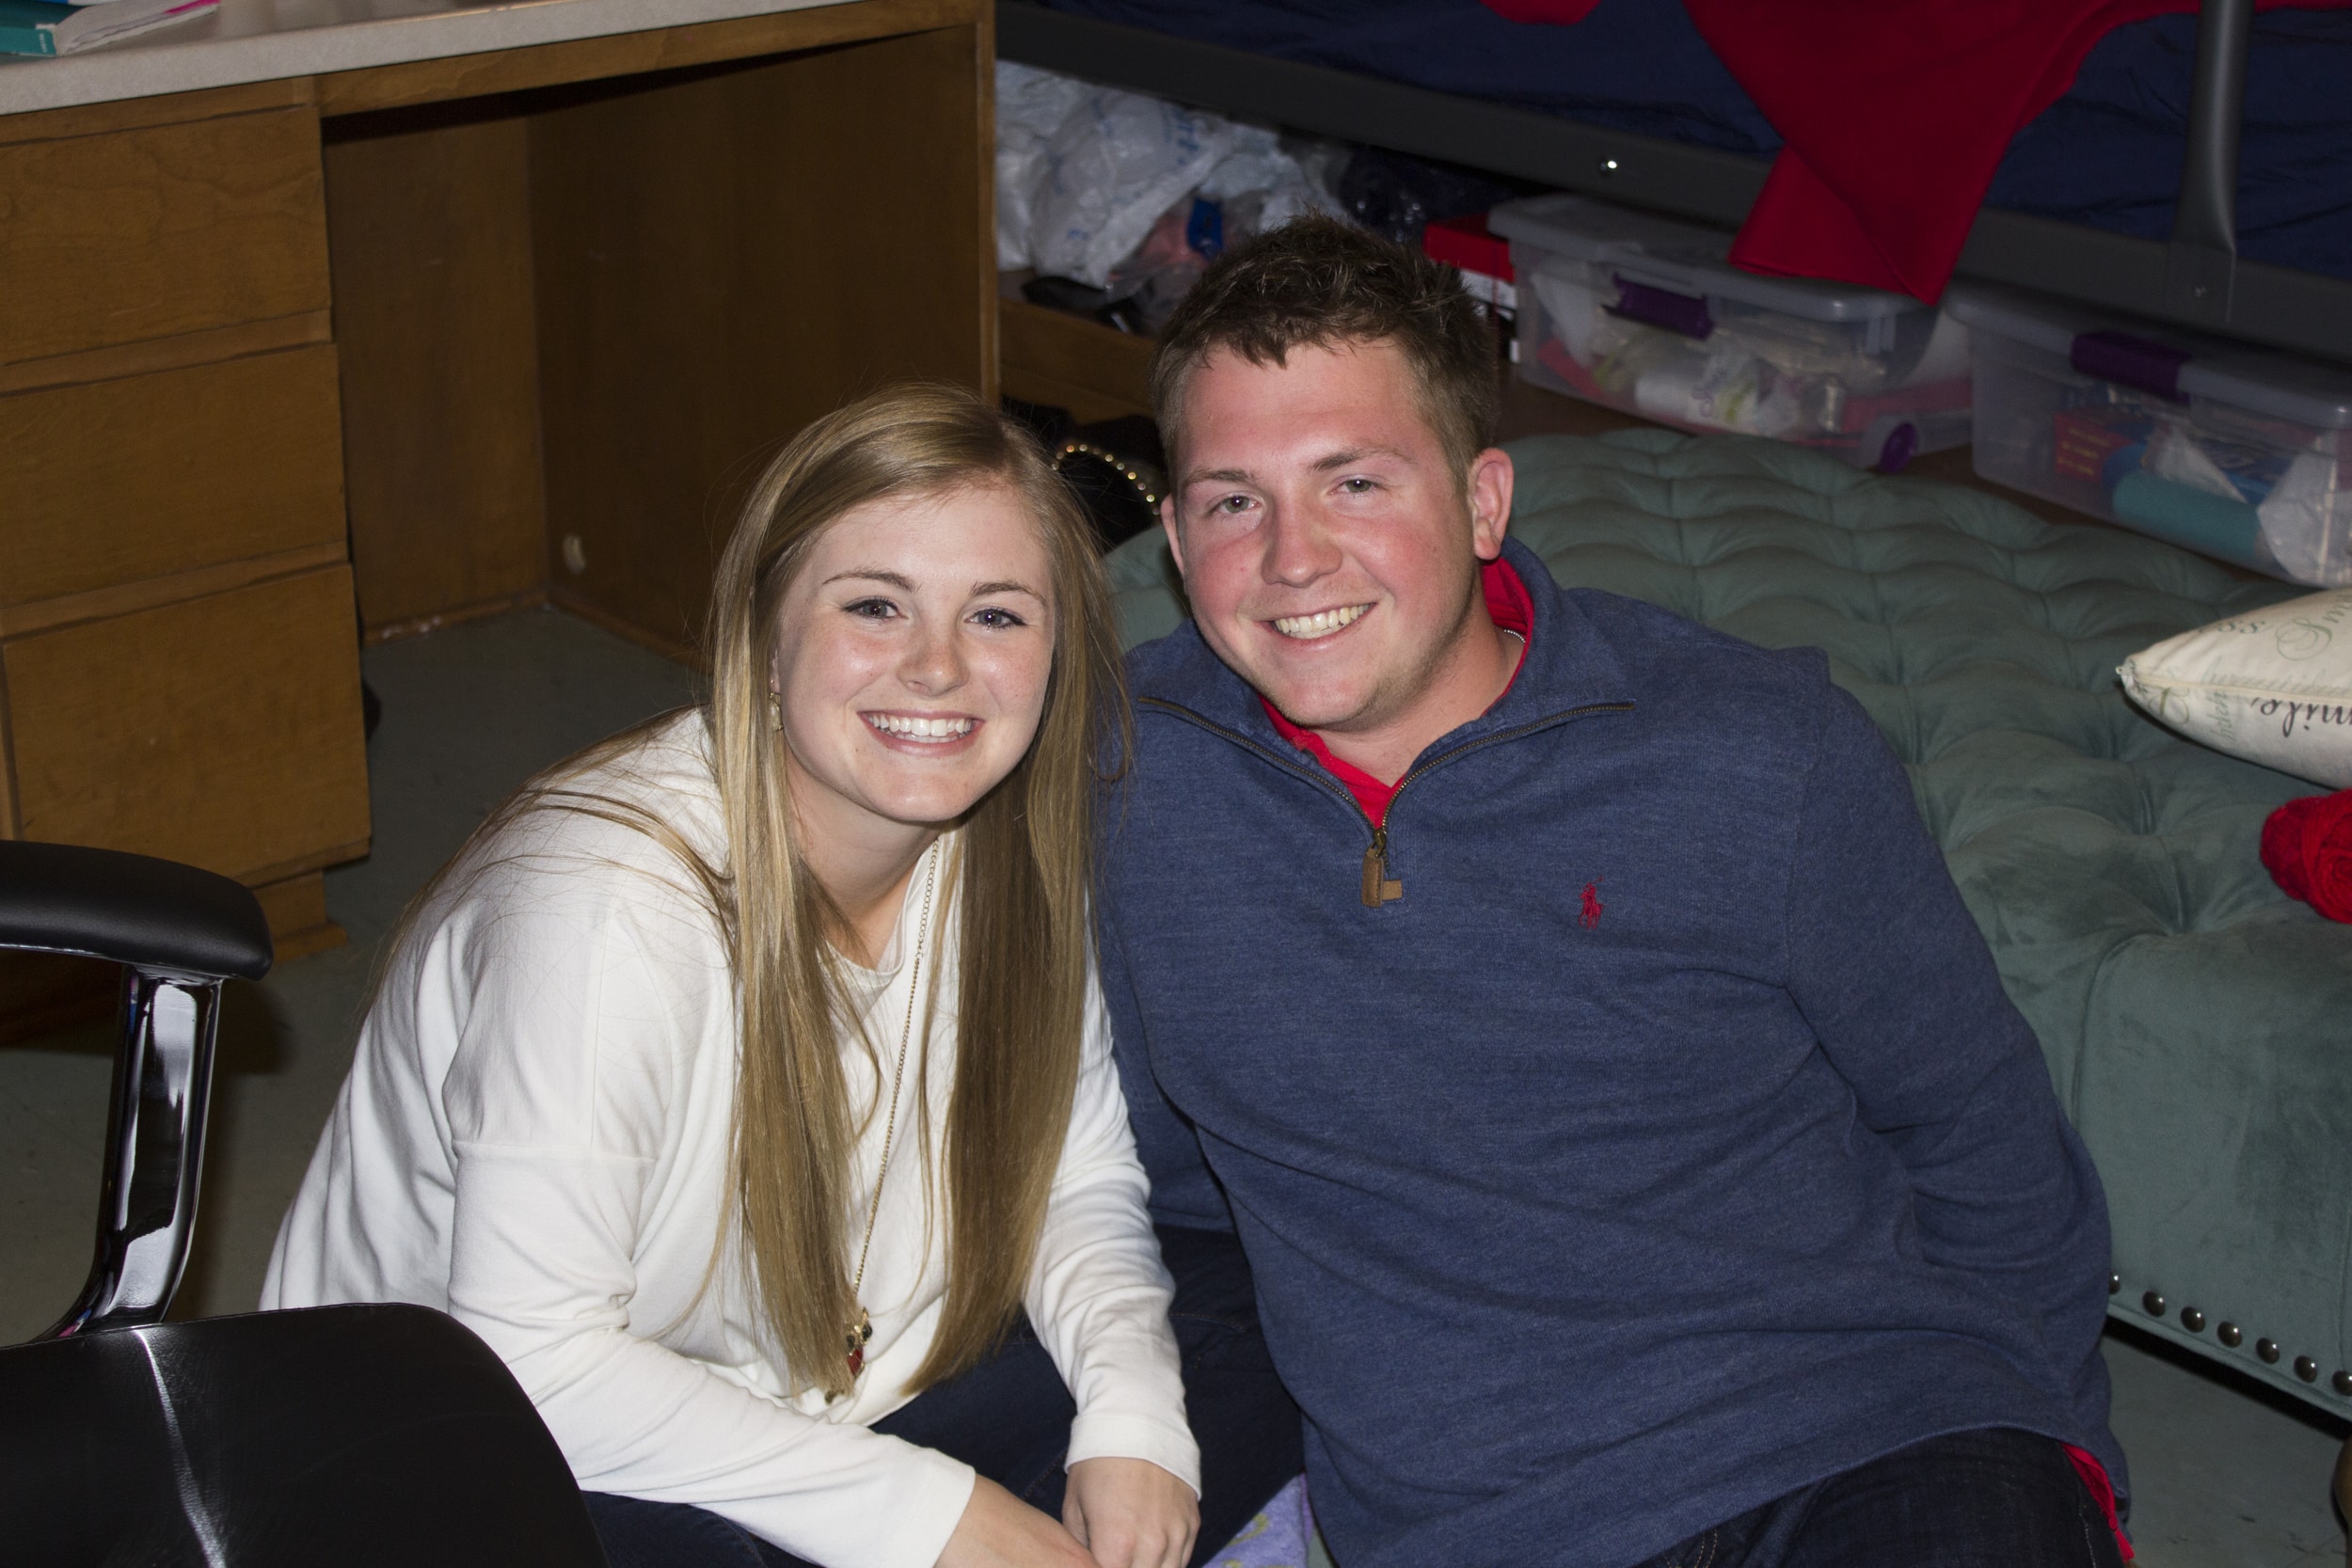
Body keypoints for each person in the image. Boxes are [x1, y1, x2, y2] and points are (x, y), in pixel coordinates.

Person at [1093, 216, 2131, 1568]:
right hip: (1490, 1516)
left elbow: (1989, 1143)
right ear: (1172, 534)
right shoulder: (1119, 781)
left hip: (1874, 1430)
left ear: (1482, 501)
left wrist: (2078, 1472)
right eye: (1237, 498)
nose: (1295, 557)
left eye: (1356, 482)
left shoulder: (1763, 750)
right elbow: (1127, 1179)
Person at [264, 385, 1298, 1568]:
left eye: (999, 616)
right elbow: (534, 1362)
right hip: (475, 1450)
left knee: (1269, 1305)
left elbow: (1074, 1170)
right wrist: (938, 1517)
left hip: (824, 1391)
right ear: (762, 637)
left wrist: (1132, 1425)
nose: (939, 668)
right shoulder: (602, 912)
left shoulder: (1008, 842)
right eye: (875, 605)